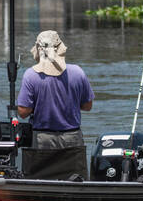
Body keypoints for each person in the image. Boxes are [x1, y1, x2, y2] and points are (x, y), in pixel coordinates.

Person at [16, 30, 94, 180]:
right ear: (59, 49)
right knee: (76, 181)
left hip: (43, 139)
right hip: (72, 137)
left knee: (42, 181)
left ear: (38, 50)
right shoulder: (78, 72)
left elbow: (23, 112)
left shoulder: (31, 76)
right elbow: (88, 106)